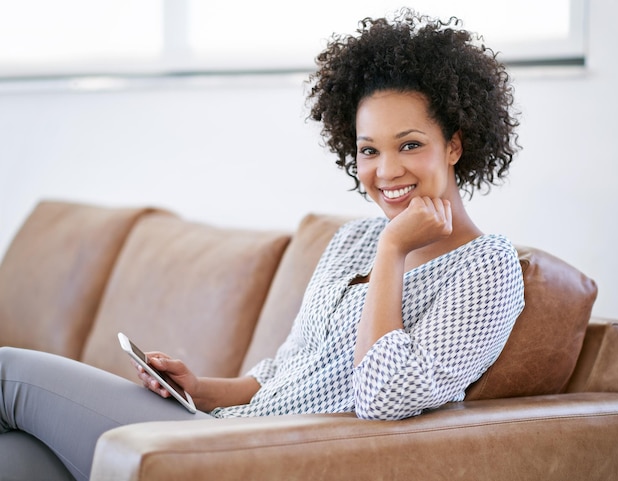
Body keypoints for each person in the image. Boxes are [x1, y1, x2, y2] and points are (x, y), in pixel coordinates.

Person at [0, 9, 525, 481]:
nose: (386, 171)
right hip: (218, 425)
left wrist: (393, 252)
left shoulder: (487, 267)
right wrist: (197, 388)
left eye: (410, 144)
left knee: (9, 374)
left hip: (259, 456)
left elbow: (384, 396)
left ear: (454, 144)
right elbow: (280, 374)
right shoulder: (350, 240)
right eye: (369, 150)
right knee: (15, 456)